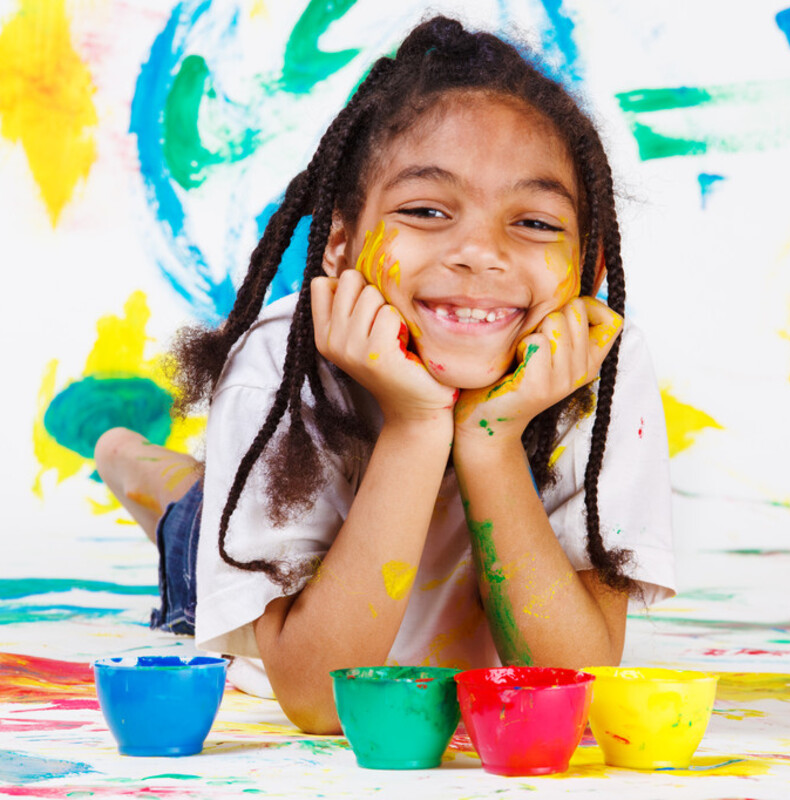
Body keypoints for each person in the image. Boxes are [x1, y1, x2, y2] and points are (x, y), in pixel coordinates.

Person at [94, 15, 674, 735]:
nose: (479, 253)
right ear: (338, 244)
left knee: (199, 499)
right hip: (286, 591)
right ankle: (129, 460)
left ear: (588, 268)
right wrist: (417, 423)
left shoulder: (601, 368)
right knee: (185, 520)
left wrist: (491, 439)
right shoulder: (277, 369)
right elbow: (317, 701)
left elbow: (574, 687)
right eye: (427, 210)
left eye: (534, 223)